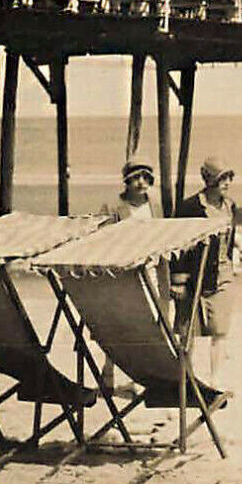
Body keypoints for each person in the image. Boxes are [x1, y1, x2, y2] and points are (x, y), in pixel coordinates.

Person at [170, 156, 242, 389]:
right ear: (209, 179)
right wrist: (178, 279)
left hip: (222, 274)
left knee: (220, 330)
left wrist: (236, 259)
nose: (227, 182)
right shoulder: (189, 207)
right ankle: (187, 380)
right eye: (222, 178)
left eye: (228, 177)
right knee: (187, 332)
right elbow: (178, 244)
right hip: (194, 276)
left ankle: (215, 380)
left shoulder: (230, 205)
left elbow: (229, 238)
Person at [98, 157, 157, 395]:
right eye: (136, 178)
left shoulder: (155, 206)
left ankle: (139, 377)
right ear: (126, 181)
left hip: (149, 271)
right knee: (118, 324)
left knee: (147, 325)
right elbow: (101, 238)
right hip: (122, 274)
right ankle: (108, 370)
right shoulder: (114, 207)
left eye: (145, 178)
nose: (141, 183)